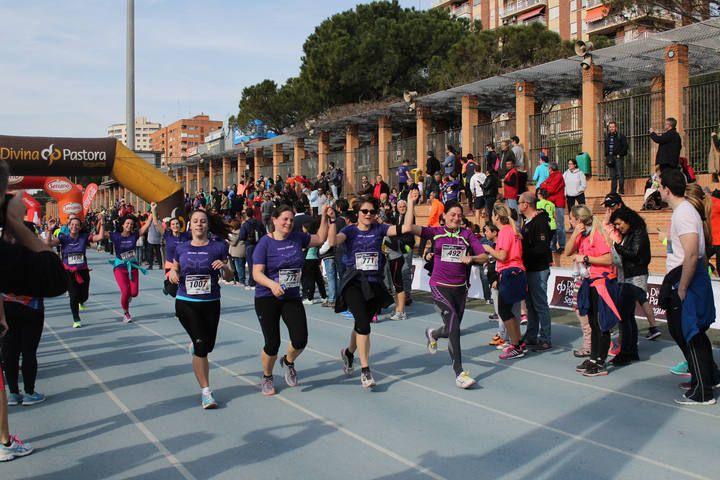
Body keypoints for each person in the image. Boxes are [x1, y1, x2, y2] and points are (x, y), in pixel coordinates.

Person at [405, 191, 488, 388]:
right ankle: (460, 372)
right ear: (444, 216)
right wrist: (411, 203)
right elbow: (408, 227)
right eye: (453, 214)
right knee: (454, 326)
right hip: (440, 286)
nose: (456, 218)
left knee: (452, 327)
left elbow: (484, 256)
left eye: (460, 215)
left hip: (460, 289)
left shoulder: (467, 235)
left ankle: (433, 334)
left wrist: (472, 258)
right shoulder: (436, 232)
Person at [252, 204, 330, 395]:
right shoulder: (265, 243)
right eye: (284, 219)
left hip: (291, 297)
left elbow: (320, 238)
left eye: (291, 220)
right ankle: (267, 376)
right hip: (267, 298)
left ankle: (288, 361)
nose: (288, 223)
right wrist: (272, 285)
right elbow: (256, 273)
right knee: (272, 344)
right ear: (275, 220)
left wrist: (325, 218)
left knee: (300, 339)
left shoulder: (297, 238)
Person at [330, 196, 406, 388]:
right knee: (364, 325)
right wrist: (331, 221)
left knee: (360, 324)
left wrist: (409, 207)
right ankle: (365, 370)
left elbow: (402, 229)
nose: (368, 214)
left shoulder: (380, 229)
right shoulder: (349, 231)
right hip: (354, 282)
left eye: (372, 211)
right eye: (365, 211)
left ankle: (348, 353)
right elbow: (332, 241)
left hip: (374, 284)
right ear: (357, 213)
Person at [658, 169, 718, 405]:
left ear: (667, 189)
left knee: (689, 334)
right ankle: (703, 380)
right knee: (687, 333)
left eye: (660, 186)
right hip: (684, 276)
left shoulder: (683, 213)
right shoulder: (683, 212)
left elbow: (692, 253)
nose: (658, 190)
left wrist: (682, 287)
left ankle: (703, 391)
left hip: (686, 280)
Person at [168, 209, 233, 409]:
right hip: (186, 302)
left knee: (208, 345)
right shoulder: (181, 248)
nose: (199, 224)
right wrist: (172, 272)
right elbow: (174, 267)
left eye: (203, 221)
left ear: (208, 225)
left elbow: (230, 277)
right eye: (195, 221)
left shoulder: (219, 247)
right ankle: (206, 392)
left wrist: (225, 266)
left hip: (211, 302)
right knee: (202, 347)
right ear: (190, 225)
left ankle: (197, 345)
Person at [565, 205, 620, 377]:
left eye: (572, 219)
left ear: (579, 220)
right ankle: (594, 356)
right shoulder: (582, 235)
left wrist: (586, 258)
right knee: (592, 322)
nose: (570, 222)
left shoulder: (597, 235)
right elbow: (567, 251)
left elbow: (608, 258)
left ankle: (600, 362)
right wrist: (574, 233)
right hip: (590, 282)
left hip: (602, 282)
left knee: (601, 323)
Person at [483, 204, 527, 360]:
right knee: (507, 311)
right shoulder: (511, 230)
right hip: (515, 272)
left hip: (509, 272)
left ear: (496, 217)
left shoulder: (505, 232)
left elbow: (502, 256)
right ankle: (518, 342)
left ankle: (515, 344)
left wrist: (488, 249)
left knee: (504, 310)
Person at [45, 215, 105, 328]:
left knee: (84, 296)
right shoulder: (63, 238)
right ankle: (76, 319)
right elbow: (48, 244)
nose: (74, 227)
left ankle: (81, 301)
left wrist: (102, 223)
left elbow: (100, 237)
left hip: (83, 271)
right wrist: (49, 230)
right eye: (72, 224)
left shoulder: (84, 237)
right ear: (68, 226)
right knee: (73, 296)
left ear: (80, 227)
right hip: (69, 272)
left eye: (77, 225)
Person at [610, 206, 651, 366]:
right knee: (627, 316)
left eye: (620, 224)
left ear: (628, 220)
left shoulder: (639, 232)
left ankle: (627, 352)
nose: (618, 227)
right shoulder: (629, 234)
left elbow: (635, 253)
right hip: (627, 275)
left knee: (624, 315)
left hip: (635, 277)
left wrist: (618, 249)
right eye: (616, 225)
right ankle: (630, 350)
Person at [518, 192, 553, 351]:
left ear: (526, 204)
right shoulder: (528, 222)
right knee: (531, 304)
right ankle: (531, 335)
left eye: (520, 202)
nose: (518, 205)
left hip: (538, 269)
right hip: (530, 268)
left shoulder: (540, 223)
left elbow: (542, 247)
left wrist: (522, 252)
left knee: (540, 304)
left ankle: (545, 338)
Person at [107, 207, 155, 323]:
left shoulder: (135, 235)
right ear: (123, 225)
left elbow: (148, 224)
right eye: (127, 223)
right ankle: (126, 313)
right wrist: (101, 223)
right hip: (120, 268)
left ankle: (128, 297)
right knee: (125, 291)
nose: (129, 225)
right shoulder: (116, 235)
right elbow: (102, 234)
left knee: (134, 293)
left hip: (133, 268)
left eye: (132, 224)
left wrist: (153, 210)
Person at [154, 213, 191, 297]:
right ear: (170, 227)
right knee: (172, 291)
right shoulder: (168, 235)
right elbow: (156, 223)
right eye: (173, 224)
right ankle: (167, 285)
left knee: (183, 286)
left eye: (177, 223)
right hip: (170, 265)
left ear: (180, 225)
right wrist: (153, 210)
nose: (175, 225)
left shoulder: (186, 236)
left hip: (183, 265)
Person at [541, 162, 567, 252]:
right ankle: (553, 245)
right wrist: (545, 185)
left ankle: (562, 245)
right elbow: (542, 185)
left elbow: (550, 189)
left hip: (558, 204)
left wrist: (545, 185)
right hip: (551, 203)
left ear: (551, 169)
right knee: (552, 225)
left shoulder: (558, 176)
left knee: (560, 225)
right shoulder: (551, 177)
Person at [301, 219, 327, 304]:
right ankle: (324, 296)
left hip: (308, 259)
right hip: (315, 258)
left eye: (303, 227)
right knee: (319, 279)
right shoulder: (316, 236)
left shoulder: (308, 237)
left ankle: (310, 298)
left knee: (310, 280)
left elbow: (304, 248)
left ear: (306, 228)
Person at [241, 207, 266, 289]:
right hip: (259, 245)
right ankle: (260, 280)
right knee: (260, 263)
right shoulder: (259, 222)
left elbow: (241, 236)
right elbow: (264, 232)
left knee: (251, 264)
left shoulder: (245, 224)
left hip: (249, 245)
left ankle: (252, 282)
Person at [605, 121, 629, 194]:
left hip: (618, 157)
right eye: (610, 127)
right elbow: (606, 147)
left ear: (616, 127)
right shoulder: (607, 136)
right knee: (613, 176)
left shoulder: (620, 136)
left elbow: (625, 146)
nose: (611, 128)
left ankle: (621, 191)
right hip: (610, 158)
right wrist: (606, 156)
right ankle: (613, 191)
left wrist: (620, 155)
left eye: (613, 127)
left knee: (620, 174)